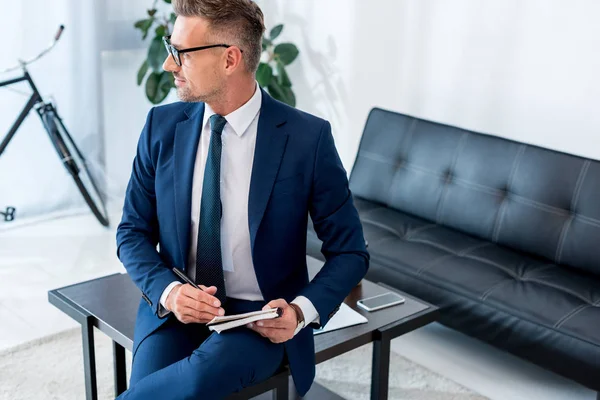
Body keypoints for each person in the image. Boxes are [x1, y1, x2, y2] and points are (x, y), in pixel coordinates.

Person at [115, 0, 368, 398]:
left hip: (262, 317)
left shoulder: (306, 140)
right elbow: (131, 231)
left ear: (230, 58)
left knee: (196, 380)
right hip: (179, 304)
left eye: (180, 53)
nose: (169, 65)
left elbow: (351, 252)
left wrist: (300, 311)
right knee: (151, 390)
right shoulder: (160, 127)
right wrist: (170, 292)